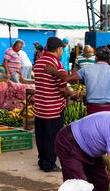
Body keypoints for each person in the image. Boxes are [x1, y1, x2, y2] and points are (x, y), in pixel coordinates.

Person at [33, 37, 76, 172]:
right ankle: (49, 164)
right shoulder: (56, 64)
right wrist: (72, 93)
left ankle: (42, 160)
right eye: (62, 48)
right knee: (52, 137)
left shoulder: (39, 61)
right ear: (58, 49)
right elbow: (63, 87)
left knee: (41, 136)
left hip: (39, 107)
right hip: (53, 108)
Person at [46, 46, 110, 115]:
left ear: (96, 58)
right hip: (108, 108)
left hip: (92, 107)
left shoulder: (86, 69)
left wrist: (54, 72)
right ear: (109, 60)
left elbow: (67, 78)